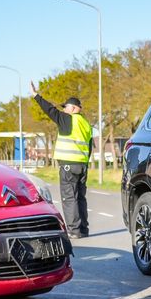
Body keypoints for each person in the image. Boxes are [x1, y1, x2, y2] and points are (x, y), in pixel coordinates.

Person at [31, 82, 93, 238]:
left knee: (69, 197)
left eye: (66, 107)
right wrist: (84, 162)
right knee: (80, 197)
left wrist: (36, 96)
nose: (64, 110)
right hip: (82, 165)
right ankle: (83, 230)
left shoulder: (68, 119)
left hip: (68, 165)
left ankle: (74, 231)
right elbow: (90, 146)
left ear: (72, 108)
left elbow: (50, 111)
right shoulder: (86, 124)